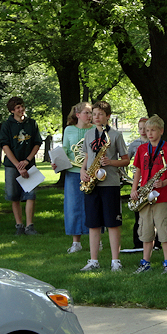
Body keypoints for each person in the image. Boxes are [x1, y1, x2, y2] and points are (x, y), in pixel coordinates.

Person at [80, 101, 129, 272]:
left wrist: (111, 162)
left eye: (100, 114)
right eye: (94, 114)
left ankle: (116, 260)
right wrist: (82, 171)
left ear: (108, 116)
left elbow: (126, 159)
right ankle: (93, 260)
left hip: (110, 183)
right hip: (92, 182)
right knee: (93, 223)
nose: (96, 117)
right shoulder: (88, 135)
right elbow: (87, 158)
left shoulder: (115, 135)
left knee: (112, 223)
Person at [131, 115, 167, 274]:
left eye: (153, 130)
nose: (149, 133)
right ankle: (145, 262)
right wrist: (134, 189)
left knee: (164, 230)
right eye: (147, 130)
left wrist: (164, 182)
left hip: (163, 196)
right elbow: (138, 170)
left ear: (161, 131)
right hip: (145, 196)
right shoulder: (141, 149)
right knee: (145, 231)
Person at [0, 97, 43, 235]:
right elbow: (5, 146)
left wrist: (27, 161)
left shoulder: (32, 123)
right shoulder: (7, 125)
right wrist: (18, 165)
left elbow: (37, 143)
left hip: (29, 164)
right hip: (12, 165)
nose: (21, 109)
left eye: (22, 106)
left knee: (31, 195)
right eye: (17, 107)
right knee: (14, 195)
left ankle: (30, 226)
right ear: (12, 110)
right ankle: (19, 225)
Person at [59, 102, 94, 253]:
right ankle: (76, 243)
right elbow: (65, 150)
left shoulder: (95, 129)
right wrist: (58, 163)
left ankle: (96, 239)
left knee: (93, 206)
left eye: (91, 112)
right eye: (86, 112)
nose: (90, 116)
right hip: (73, 172)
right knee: (73, 207)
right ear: (77, 115)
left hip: (92, 172)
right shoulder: (69, 130)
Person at [127, 117, 149, 250]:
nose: (142, 131)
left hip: (150, 181)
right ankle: (138, 242)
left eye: (145, 128)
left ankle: (155, 241)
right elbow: (126, 159)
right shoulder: (134, 144)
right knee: (138, 212)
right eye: (140, 128)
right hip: (137, 181)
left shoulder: (155, 144)